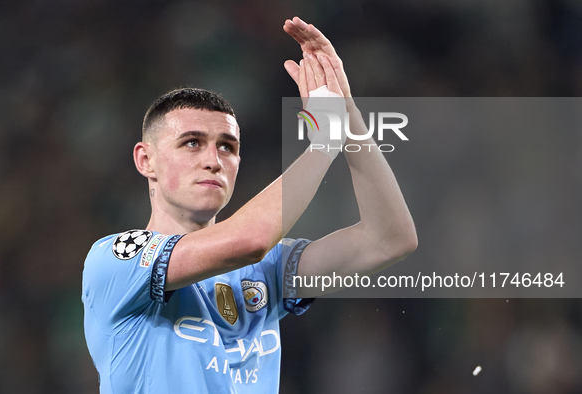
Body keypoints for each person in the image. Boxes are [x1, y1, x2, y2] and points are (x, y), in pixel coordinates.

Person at [82, 16, 417, 393]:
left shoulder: (266, 271)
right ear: (146, 160)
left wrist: (348, 117)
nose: (213, 159)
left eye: (227, 146)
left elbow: (389, 239)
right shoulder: (116, 260)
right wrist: (324, 143)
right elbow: (250, 240)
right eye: (192, 142)